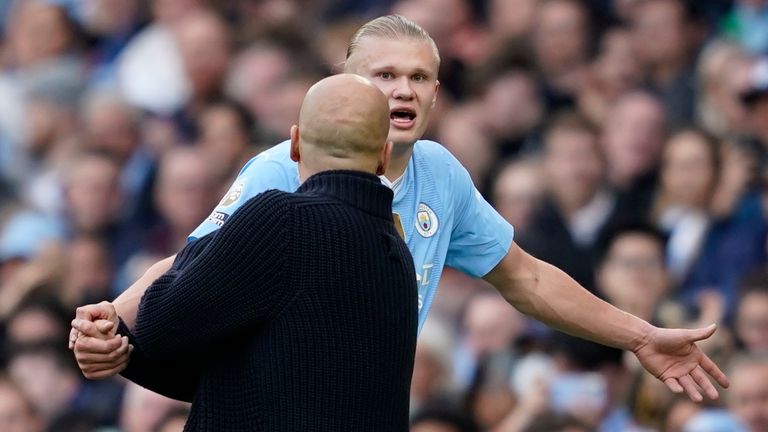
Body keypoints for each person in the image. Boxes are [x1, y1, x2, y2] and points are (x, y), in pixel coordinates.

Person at [71, 14, 729, 403]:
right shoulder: (284, 168)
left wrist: (640, 335)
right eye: (384, 75)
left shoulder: (441, 174)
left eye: (417, 77)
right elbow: (185, 265)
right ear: (346, 87)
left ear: (437, 94)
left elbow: (526, 278)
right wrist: (110, 321)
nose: (401, 89)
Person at [75, 73, 418, 430]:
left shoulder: (283, 220)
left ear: (295, 144)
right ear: (384, 155)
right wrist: (122, 350)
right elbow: (254, 379)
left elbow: (161, 324)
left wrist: (211, 237)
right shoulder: (399, 258)